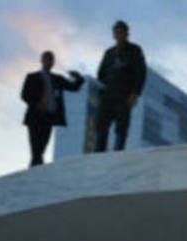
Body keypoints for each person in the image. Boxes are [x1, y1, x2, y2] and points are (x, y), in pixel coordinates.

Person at [21, 51, 84, 167]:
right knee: (36, 147)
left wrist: (79, 78)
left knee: (43, 146)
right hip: (35, 116)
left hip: (49, 117)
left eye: (51, 59)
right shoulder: (32, 77)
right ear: (42, 60)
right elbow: (24, 95)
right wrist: (37, 103)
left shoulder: (57, 79)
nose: (49, 61)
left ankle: (35, 169)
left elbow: (73, 87)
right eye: (46, 58)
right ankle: (36, 170)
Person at [94, 20, 146, 152]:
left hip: (124, 95)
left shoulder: (135, 50)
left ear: (127, 34)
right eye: (116, 32)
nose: (119, 35)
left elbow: (141, 72)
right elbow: (100, 73)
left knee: (121, 127)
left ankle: (118, 153)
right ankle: (98, 153)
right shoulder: (109, 53)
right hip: (108, 95)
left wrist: (135, 93)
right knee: (101, 126)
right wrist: (102, 90)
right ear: (114, 34)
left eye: (121, 32)